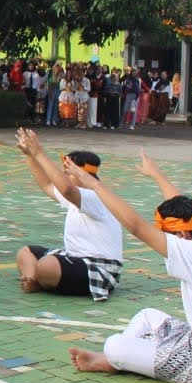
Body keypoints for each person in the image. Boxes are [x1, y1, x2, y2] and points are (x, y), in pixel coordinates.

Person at [63, 152, 192, 383]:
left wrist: (92, 183)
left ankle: (113, 359)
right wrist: (156, 174)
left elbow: (136, 226)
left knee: (113, 345)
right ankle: (118, 361)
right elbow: (179, 202)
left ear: (182, 235)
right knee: (147, 317)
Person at [13, 128, 123, 300]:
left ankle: (40, 278)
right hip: (75, 257)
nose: (63, 177)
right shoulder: (76, 195)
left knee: (46, 265)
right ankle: (33, 280)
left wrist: (39, 152)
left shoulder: (95, 195)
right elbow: (47, 185)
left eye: (67, 173)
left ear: (81, 174)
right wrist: (29, 155)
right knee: (25, 253)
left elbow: (65, 188)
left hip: (100, 267)